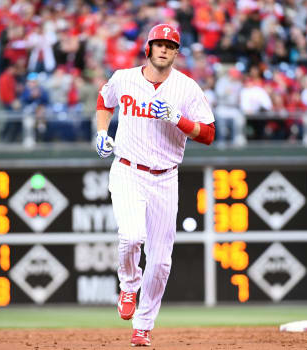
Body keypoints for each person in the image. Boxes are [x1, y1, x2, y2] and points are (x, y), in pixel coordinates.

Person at [95, 24, 215, 347]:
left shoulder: (187, 89)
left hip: (165, 176)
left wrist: (180, 120)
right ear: (148, 48)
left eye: (170, 46)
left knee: (161, 261)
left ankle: (143, 326)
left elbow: (208, 134)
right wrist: (102, 133)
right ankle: (129, 284)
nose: (163, 49)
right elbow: (104, 100)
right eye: (158, 44)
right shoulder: (124, 78)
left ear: (176, 53)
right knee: (131, 235)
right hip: (128, 170)